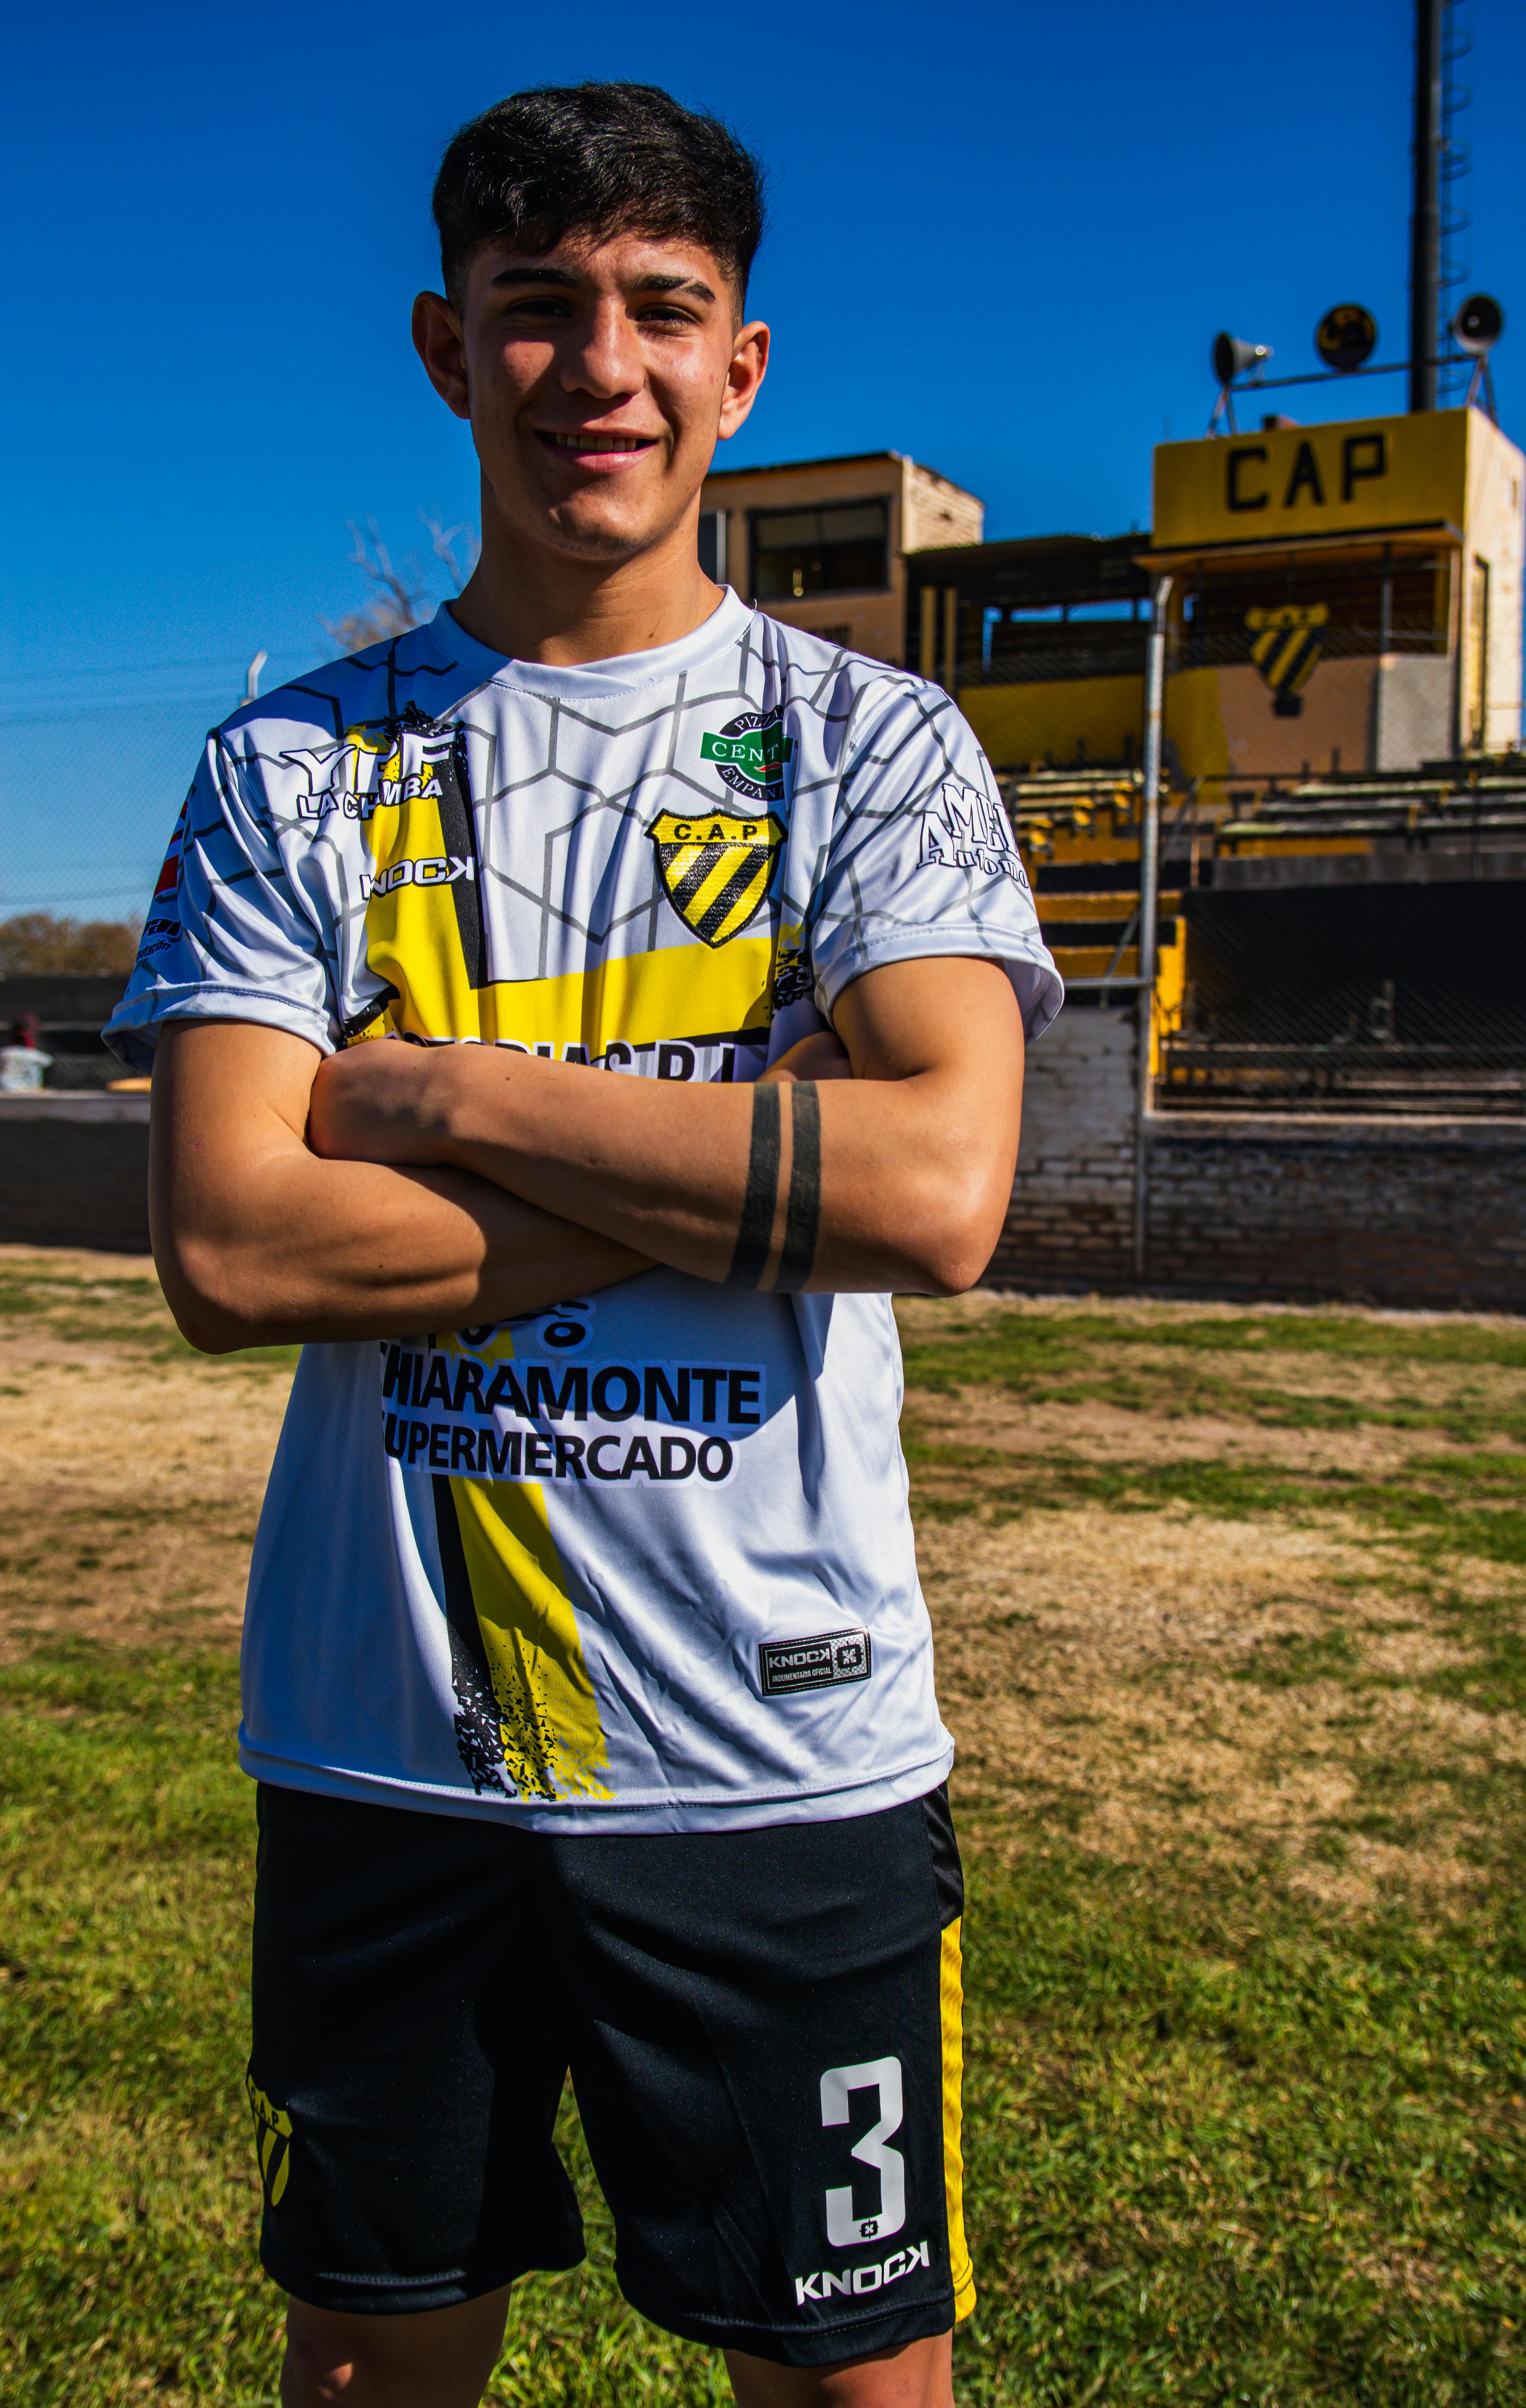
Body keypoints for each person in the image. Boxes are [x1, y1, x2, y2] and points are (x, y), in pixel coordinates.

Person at [106, 81, 1061, 2408]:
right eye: (539, 313)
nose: (598, 371)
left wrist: (433, 1100)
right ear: (449, 347)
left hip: (782, 1751)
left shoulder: (876, 747)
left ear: (743, 366)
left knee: (854, 2383)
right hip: (388, 1754)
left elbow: (938, 1194)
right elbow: (232, 1247)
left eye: (661, 312)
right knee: (371, 2365)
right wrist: (746, 1169)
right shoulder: (294, 772)